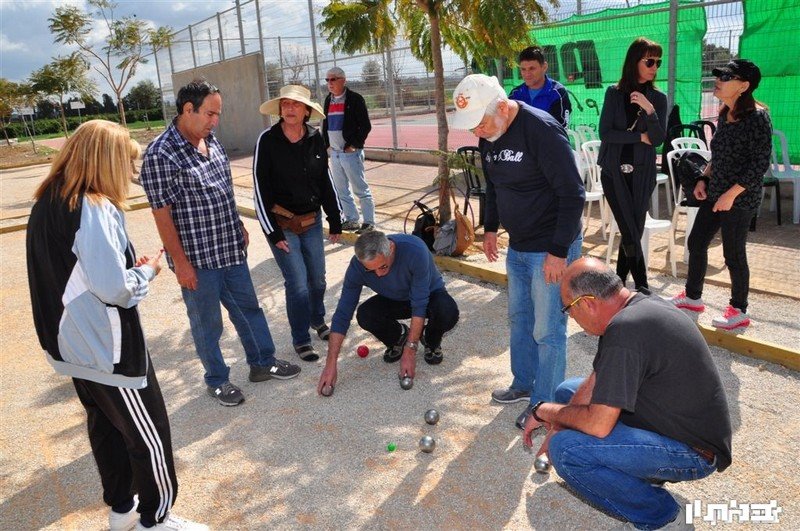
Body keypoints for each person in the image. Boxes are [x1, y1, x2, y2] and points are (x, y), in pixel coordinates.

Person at [26, 120, 207, 530]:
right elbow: (113, 290)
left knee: (106, 426)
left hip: (71, 346)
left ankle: (122, 510)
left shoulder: (48, 201)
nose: (131, 173)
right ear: (106, 159)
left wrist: (126, 271)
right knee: (150, 433)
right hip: (107, 348)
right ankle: (156, 519)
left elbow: (75, 273)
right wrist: (147, 273)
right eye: (128, 162)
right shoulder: (93, 206)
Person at [523, 257, 732, 530]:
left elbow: (598, 425)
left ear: (587, 303)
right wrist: (554, 429)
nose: (571, 317)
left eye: (568, 309)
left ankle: (663, 518)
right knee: (566, 393)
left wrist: (541, 410)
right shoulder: (636, 306)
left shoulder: (625, 330)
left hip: (694, 451)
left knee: (567, 451)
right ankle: (640, 475)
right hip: (671, 424)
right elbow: (594, 383)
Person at [140, 79, 300, 407]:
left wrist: (237, 224)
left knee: (249, 310)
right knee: (207, 323)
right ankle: (217, 380)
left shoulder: (210, 140)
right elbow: (162, 215)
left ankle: (262, 363)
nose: (216, 121)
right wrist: (180, 263)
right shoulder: (160, 153)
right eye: (210, 114)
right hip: (198, 260)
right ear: (188, 109)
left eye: (218, 114)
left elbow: (223, 189)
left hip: (229, 248)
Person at [451, 74, 585, 429]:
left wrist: (558, 252)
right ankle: (524, 383)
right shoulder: (489, 134)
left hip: (550, 246)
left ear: (500, 106)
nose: (476, 132)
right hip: (520, 245)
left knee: (548, 328)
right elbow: (493, 186)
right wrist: (491, 228)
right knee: (520, 319)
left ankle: (545, 404)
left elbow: (574, 194)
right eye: (471, 127)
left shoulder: (541, 130)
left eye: (479, 123)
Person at [670, 59, 772, 330]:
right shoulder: (725, 111)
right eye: (720, 75)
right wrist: (704, 177)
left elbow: (759, 165)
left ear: (743, 86)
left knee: (733, 254)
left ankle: (739, 310)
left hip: (740, 198)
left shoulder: (758, 117)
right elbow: (718, 156)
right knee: (696, 242)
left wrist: (731, 195)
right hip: (716, 193)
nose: (719, 80)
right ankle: (693, 298)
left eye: (727, 76)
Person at [253, 85, 343, 362]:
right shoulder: (267, 140)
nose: (289, 109)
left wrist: (335, 219)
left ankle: (318, 320)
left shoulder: (315, 138)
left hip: (312, 221)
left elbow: (324, 181)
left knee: (317, 279)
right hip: (281, 224)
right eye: (285, 104)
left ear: (306, 111)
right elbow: (260, 188)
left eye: (296, 105)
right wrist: (273, 231)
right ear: (280, 109)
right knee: (298, 284)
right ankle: (301, 339)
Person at [317, 231, 459, 393]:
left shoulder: (415, 249)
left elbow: (419, 304)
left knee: (447, 312)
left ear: (391, 248)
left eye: (383, 266)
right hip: (396, 298)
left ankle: (431, 340)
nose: (379, 274)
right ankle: (398, 336)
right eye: (371, 270)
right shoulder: (357, 267)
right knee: (365, 315)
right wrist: (331, 362)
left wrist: (410, 351)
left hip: (429, 294)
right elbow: (343, 312)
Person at [597, 37, 667, 291]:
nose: (654, 67)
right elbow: (606, 133)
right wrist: (638, 136)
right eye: (649, 61)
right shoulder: (614, 94)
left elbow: (658, 140)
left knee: (632, 230)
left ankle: (617, 286)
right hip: (614, 172)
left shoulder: (658, 99)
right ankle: (643, 286)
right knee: (629, 228)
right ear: (634, 61)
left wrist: (650, 111)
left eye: (658, 62)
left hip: (643, 173)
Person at [322, 67, 375, 233]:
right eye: (327, 80)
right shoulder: (328, 100)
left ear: (343, 80)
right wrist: (327, 146)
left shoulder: (355, 99)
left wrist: (354, 145)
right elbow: (326, 125)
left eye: (333, 79)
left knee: (360, 189)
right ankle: (351, 219)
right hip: (335, 154)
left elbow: (365, 126)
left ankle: (369, 222)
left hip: (350, 153)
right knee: (341, 190)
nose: (329, 83)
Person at [508, 46, 571, 128]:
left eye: (532, 68)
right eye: (523, 69)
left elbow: (560, 127)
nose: (527, 74)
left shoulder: (558, 93)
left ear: (544, 67)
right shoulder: (515, 94)